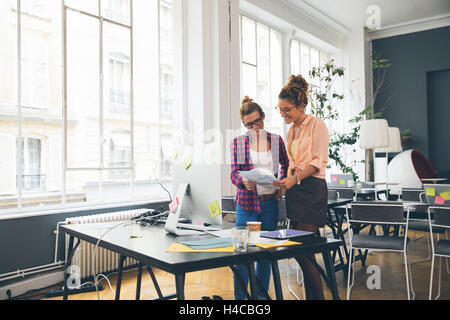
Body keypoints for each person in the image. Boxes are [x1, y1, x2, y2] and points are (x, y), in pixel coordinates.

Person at [273, 74, 330, 300]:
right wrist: (284, 186)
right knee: (299, 251)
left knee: (305, 251)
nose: (284, 114)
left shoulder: (318, 125)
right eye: (280, 109)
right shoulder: (292, 130)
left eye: (288, 109)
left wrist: (293, 180)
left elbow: (317, 163)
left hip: (312, 189)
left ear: (302, 105)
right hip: (296, 192)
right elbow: (292, 164)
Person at [230, 96, 289, 300]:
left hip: (269, 204)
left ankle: (260, 299)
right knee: (243, 256)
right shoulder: (238, 143)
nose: (255, 127)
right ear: (244, 124)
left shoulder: (275, 140)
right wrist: (243, 182)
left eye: (258, 121)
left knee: (264, 254)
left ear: (263, 117)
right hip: (246, 206)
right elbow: (234, 173)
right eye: (249, 124)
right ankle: (240, 300)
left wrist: (282, 183)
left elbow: (286, 164)